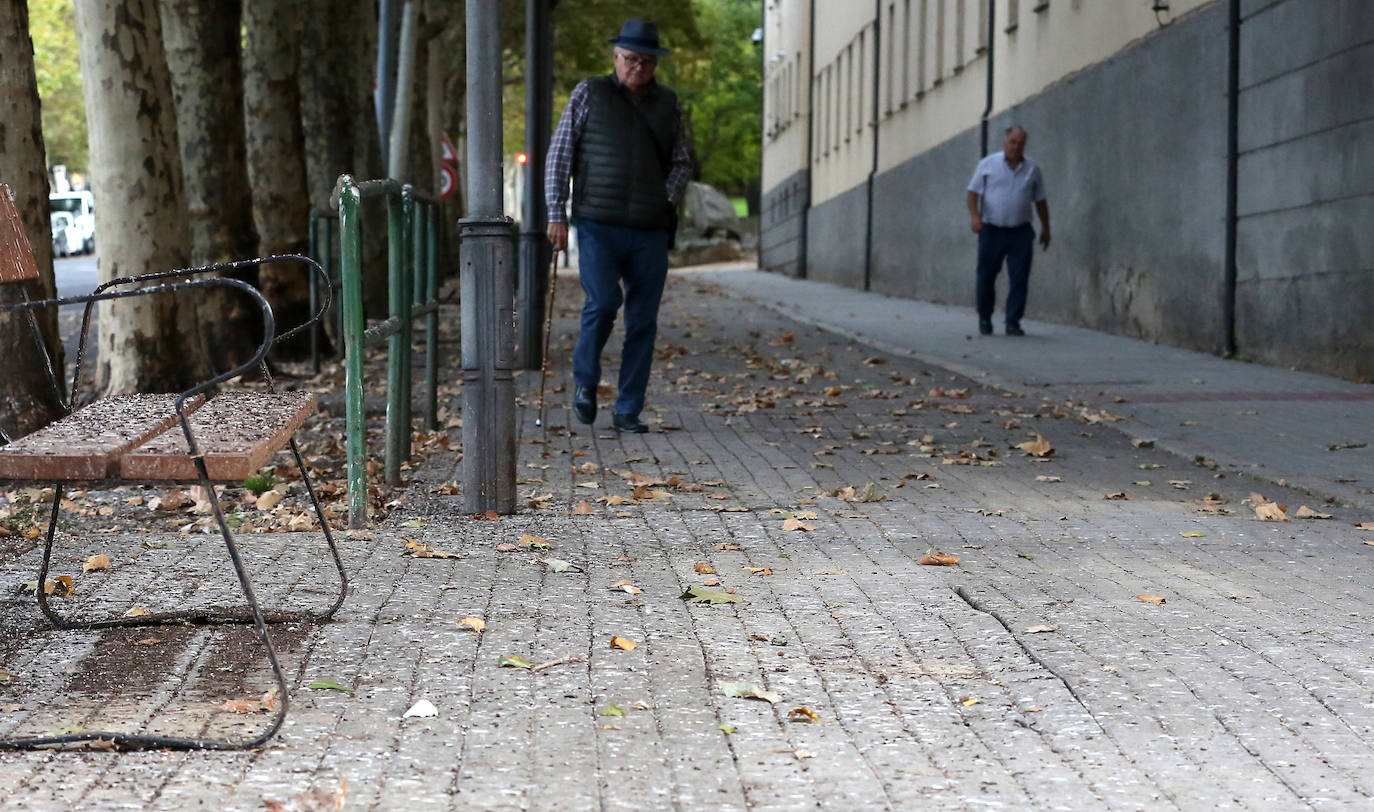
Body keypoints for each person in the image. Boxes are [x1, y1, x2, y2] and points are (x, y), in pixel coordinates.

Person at [545, 18, 692, 433]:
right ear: (616, 57)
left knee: (643, 320)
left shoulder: (669, 103)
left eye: (646, 61)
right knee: (603, 303)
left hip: (649, 229)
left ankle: (629, 408)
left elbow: (682, 161)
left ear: (655, 64)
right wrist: (555, 212)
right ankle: (585, 383)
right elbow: (560, 154)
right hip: (597, 223)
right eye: (630, 59)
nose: (637, 67)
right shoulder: (588, 93)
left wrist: (666, 198)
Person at [965, 126, 1051, 336]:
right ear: (1005, 142)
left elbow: (1040, 200)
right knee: (986, 276)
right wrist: (975, 217)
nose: (1016, 146)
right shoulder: (988, 164)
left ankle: (1013, 322)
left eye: (1020, 143)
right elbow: (972, 193)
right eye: (1013, 142)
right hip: (992, 229)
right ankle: (985, 317)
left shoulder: (1033, 168)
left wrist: (1046, 227)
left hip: (1020, 232)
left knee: (1019, 278)